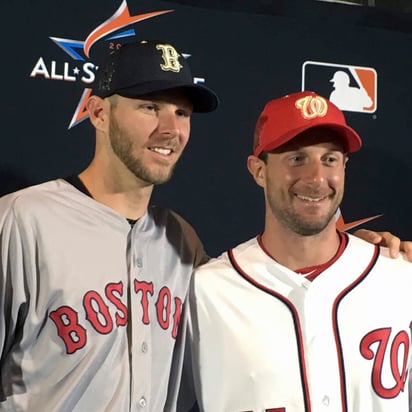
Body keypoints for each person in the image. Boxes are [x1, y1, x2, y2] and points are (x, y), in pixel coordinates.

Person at [0, 41, 408, 411]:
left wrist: (365, 255)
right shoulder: (22, 220)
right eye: (149, 106)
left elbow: (270, 291)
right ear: (99, 112)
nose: (170, 128)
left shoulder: (179, 243)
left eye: (181, 112)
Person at [187, 91, 412, 412]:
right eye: (296, 158)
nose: (316, 178)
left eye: (330, 159)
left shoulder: (400, 276)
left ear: (345, 167)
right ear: (258, 170)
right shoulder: (207, 291)